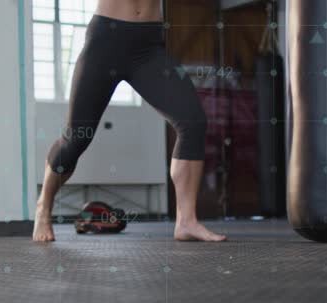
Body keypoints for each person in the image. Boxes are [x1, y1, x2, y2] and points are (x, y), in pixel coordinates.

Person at [33, 0, 227, 243]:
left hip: (148, 45)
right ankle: (44, 206)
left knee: (193, 121)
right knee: (77, 137)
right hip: (105, 40)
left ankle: (186, 221)